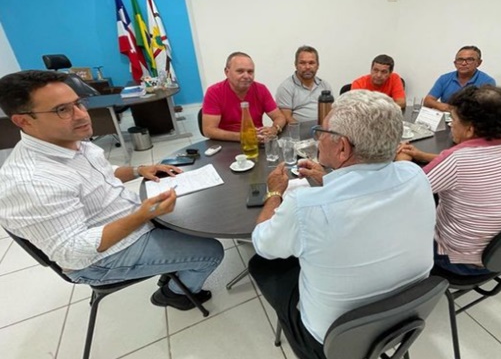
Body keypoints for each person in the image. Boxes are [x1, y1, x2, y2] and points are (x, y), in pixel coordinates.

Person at [0, 71, 224, 310]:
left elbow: (103, 171)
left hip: (125, 218)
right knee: (211, 250)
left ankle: (172, 266)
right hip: (100, 258)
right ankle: (174, 293)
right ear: (23, 120)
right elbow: (72, 254)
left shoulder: (66, 139)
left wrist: (140, 170)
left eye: (78, 104)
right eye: (62, 110)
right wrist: (142, 215)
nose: (81, 115)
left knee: (195, 213)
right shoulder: (30, 182)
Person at [248, 90, 436, 358]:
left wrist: (274, 194)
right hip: (403, 318)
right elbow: (367, 194)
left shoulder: (303, 205)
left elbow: (262, 243)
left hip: (334, 340)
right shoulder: (414, 174)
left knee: (261, 263)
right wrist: (332, 180)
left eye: (322, 132)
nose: (319, 138)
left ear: (343, 147)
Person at [399, 85, 501, 274]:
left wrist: (402, 160)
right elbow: (477, 165)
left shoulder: (458, 160)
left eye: (453, 120)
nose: (451, 125)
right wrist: (423, 155)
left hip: (460, 260)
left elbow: (403, 193)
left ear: (470, 129)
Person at [202, 52, 286, 141]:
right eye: (240, 71)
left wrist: (274, 129)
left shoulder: (261, 89)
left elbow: (280, 117)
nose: (246, 76)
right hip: (227, 143)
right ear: (227, 72)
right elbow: (208, 130)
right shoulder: (214, 92)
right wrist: (244, 136)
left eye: (250, 72)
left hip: (256, 143)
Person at [423, 46, 496, 112]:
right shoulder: (444, 78)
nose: (464, 63)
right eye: (460, 60)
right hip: (447, 119)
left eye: (469, 59)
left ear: (479, 63)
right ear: (455, 63)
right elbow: (427, 101)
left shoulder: (487, 81)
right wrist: (444, 107)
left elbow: (487, 109)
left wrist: (457, 111)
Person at [276, 46, 332, 123]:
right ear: (296, 65)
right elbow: (286, 118)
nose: (307, 67)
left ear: (318, 65)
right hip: (298, 132)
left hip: (323, 129)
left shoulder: (324, 85)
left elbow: (331, 112)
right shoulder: (286, 87)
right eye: (302, 63)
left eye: (311, 63)